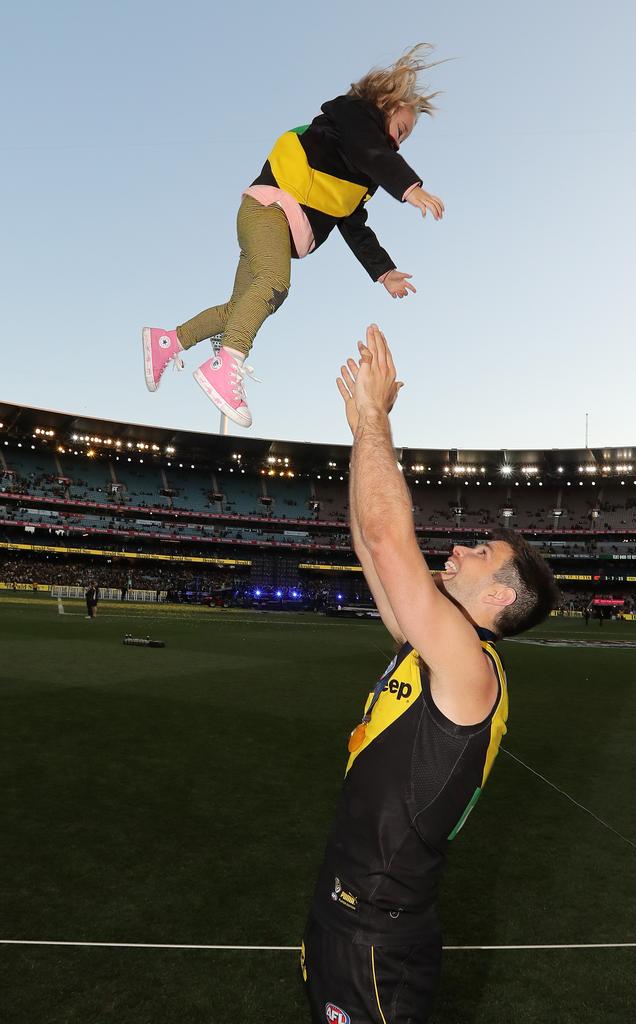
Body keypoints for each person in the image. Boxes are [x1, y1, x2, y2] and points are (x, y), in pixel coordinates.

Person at [299, 326, 559, 1023]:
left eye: (478, 550)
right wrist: (362, 431)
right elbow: (370, 542)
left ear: (500, 596)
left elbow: (391, 536)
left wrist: (379, 418)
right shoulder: (431, 645)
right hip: (340, 911)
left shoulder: (467, 665)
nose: (461, 550)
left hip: (377, 940)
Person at [142, 45, 445, 429]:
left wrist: (385, 272)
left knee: (243, 307)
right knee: (274, 281)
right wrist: (408, 187)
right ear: (385, 104)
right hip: (269, 208)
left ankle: (166, 342)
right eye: (401, 130)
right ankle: (227, 363)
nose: (399, 144)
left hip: (274, 227)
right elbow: (370, 149)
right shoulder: (350, 115)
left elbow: (354, 225)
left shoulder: (359, 176)